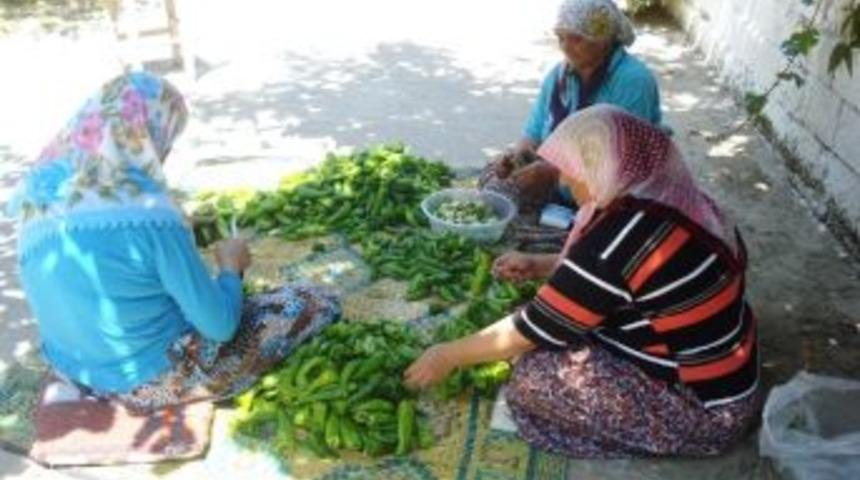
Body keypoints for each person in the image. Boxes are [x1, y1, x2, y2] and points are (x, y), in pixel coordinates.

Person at [405, 105, 760, 458]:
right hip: (731, 376)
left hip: (703, 410)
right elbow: (629, 277)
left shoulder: (617, 241)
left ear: (601, 170)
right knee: (536, 326)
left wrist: (448, 355)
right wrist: (542, 263)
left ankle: (664, 435)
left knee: (532, 377)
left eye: (572, 171)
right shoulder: (676, 200)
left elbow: (535, 328)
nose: (564, 182)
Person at [7, 72, 340, 413]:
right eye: (166, 139)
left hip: (73, 368)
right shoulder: (150, 213)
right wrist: (230, 269)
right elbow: (220, 326)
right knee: (311, 301)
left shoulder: (39, 199)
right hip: (144, 382)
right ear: (147, 134)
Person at [481, 0, 664, 251]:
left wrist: (554, 173)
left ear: (602, 39)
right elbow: (533, 132)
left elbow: (623, 163)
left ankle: (567, 239)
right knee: (494, 184)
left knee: (598, 241)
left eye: (576, 39)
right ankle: (555, 230)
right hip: (559, 183)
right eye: (560, 38)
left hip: (611, 194)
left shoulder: (634, 82)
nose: (565, 47)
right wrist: (517, 158)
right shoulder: (559, 75)